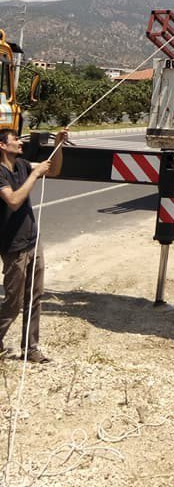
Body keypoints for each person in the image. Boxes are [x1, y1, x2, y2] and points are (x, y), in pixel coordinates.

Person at [0, 127, 67, 364]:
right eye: (15, 139)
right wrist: (35, 174)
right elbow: (14, 201)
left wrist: (58, 145)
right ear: (2, 146)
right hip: (13, 245)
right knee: (13, 302)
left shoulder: (22, 165)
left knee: (34, 297)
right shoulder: (1, 173)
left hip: (32, 240)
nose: (20, 142)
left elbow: (55, 169)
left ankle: (31, 349)